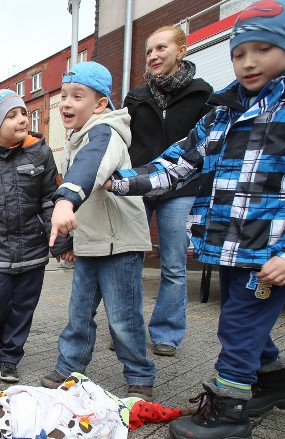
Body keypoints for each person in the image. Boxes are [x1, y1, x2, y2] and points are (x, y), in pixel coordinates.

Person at [54, 0, 285, 439]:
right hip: (230, 244)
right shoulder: (225, 112)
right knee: (243, 319)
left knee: (238, 325)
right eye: (240, 53)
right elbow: (178, 163)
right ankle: (274, 382)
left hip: (273, 248)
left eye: (263, 49)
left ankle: (229, 410)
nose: (248, 62)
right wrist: (120, 181)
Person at [39, 62, 157, 401]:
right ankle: (69, 365)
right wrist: (68, 240)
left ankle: (138, 375)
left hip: (119, 242)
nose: (66, 103)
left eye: (78, 96)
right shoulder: (78, 138)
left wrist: (65, 201)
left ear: (101, 103)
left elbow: (91, 166)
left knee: (123, 317)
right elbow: (82, 193)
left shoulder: (106, 132)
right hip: (92, 242)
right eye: (63, 96)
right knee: (78, 312)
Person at [125, 25, 213, 357]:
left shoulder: (202, 94)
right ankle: (127, 329)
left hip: (182, 188)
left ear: (182, 50)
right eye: (149, 51)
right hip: (140, 185)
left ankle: (166, 333)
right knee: (128, 261)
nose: (153, 56)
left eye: (161, 48)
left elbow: (208, 144)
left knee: (174, 264)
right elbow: (124, 142)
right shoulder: (136, 97)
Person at [0, 89, 60, 383]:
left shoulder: (41, 152)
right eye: (11, 115)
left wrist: (61, 242)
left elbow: (50, 200)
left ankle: (10, 357)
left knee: (23, 306)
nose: (21, 119)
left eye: (23, 113)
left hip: (33, 249)